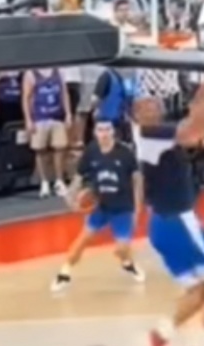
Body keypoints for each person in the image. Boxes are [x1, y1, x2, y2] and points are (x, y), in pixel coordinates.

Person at [136, 75, 204, 346]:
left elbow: (194, 117)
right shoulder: (150, 134)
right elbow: (195, 129)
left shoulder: (158, 134)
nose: (153, 105)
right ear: (136, 116)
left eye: (154, 102)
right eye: (144, 105)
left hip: (163, 225)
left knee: (197, 292)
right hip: (178, 221)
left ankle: (161, 334)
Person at [51, 119, 145, 292]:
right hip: (101, 206)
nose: (104, 133)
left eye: (107, 129)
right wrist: (71, 197)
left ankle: (127, 263)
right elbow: (78, 178)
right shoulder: (91, 151)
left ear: (113, 132)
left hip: (123, 208)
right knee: (82, 240)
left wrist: (137, 209)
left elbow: (137, 180)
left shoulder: (125, 153)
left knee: (122, 249)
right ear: (95, 133)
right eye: (100, 130)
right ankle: (64, 273)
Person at [22, 68, 72, 198]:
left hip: (57, 116)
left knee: (60, 148)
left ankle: (59, 181)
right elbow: (26, 97)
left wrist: (68, 114)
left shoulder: (59, 71)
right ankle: (44, 182)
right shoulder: (31, 73)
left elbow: (64, 93)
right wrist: (28, 119)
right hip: (39, 117)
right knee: (40, 150)